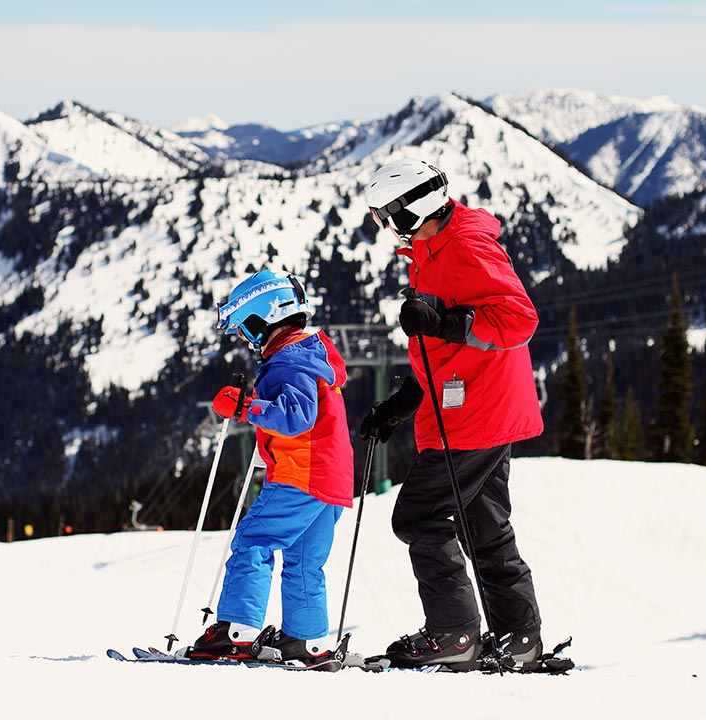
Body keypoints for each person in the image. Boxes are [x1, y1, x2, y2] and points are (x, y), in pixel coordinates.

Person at [359, 158, 546, 668]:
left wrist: (446, 322)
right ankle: (519, 638)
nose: (383, 225)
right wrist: (406, 401)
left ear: (410, 211)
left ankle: (454, 635)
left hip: (477, 412)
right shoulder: (430, 249)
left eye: (385, 215)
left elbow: (519, 320)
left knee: (419, 515)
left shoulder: (464, 246)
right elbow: (444, 348)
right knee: (484, 526)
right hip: (473, 405)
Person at [188, 269, 354, 665]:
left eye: (247, 327)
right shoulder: (311, 355)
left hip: (301, 473)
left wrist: (245, 407)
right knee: (304, 561)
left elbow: (296, 416)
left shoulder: (289, 361)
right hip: (331, 478)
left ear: (267, 315)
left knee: (254, 540)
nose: (247, 338)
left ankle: (237, 630)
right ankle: (305, 639)